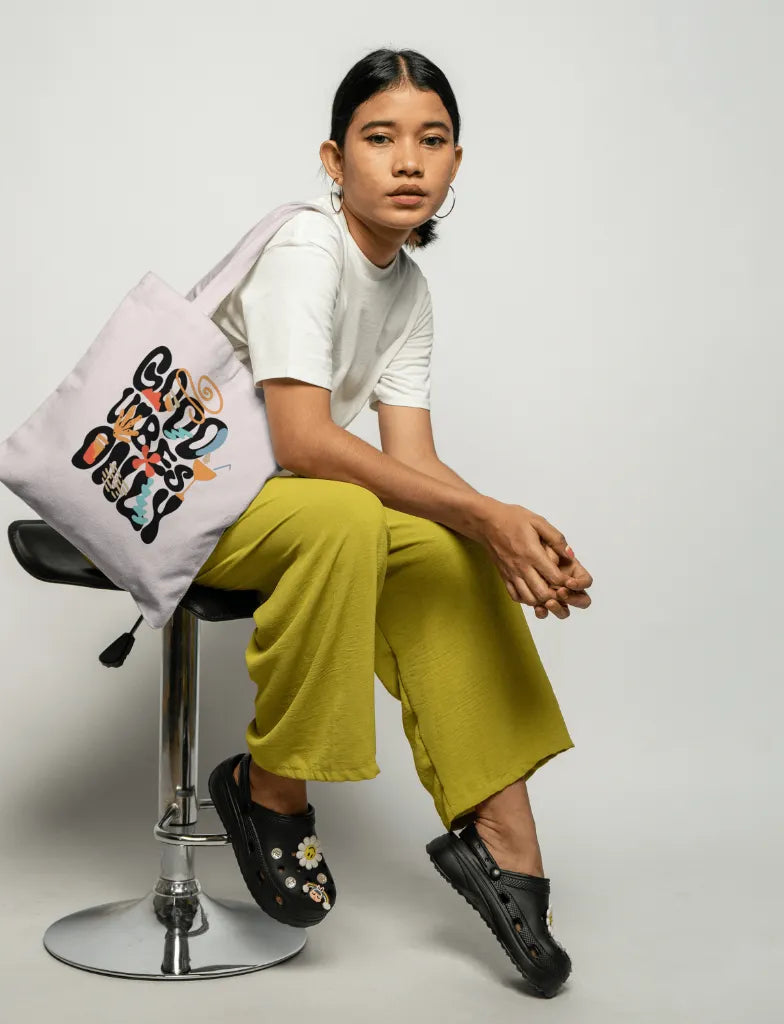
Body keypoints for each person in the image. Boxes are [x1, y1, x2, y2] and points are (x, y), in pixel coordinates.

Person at [200, 47, 593, 997]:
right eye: (380, 139)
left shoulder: (408, 292)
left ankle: (502, 834)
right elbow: (300, 439)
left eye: (432, 140)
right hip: (190, 501)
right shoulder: (306, 246)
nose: (408, 161)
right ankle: (270, 791)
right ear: (335, 161)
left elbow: (411, 466)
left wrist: (503, 525)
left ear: (457, 162)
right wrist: (484, 512)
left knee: (446, 544)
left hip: (285, 505)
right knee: (346, 513)